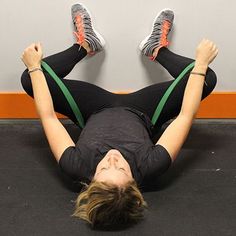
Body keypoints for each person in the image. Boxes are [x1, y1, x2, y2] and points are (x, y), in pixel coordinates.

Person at [21, 3, 218, 229]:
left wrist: (35, 67)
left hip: (93, 110)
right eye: (122, 169)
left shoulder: (76, 166)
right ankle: (156, 49)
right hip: (144, 111)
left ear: (91, 181)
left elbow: (48, 117)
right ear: (134, 183)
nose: (112, 159)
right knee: (206, 77)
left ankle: (85, 45)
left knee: (30, 78)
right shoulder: (151, 165)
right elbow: (185, 116)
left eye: (103, 169)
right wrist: (201, 63)